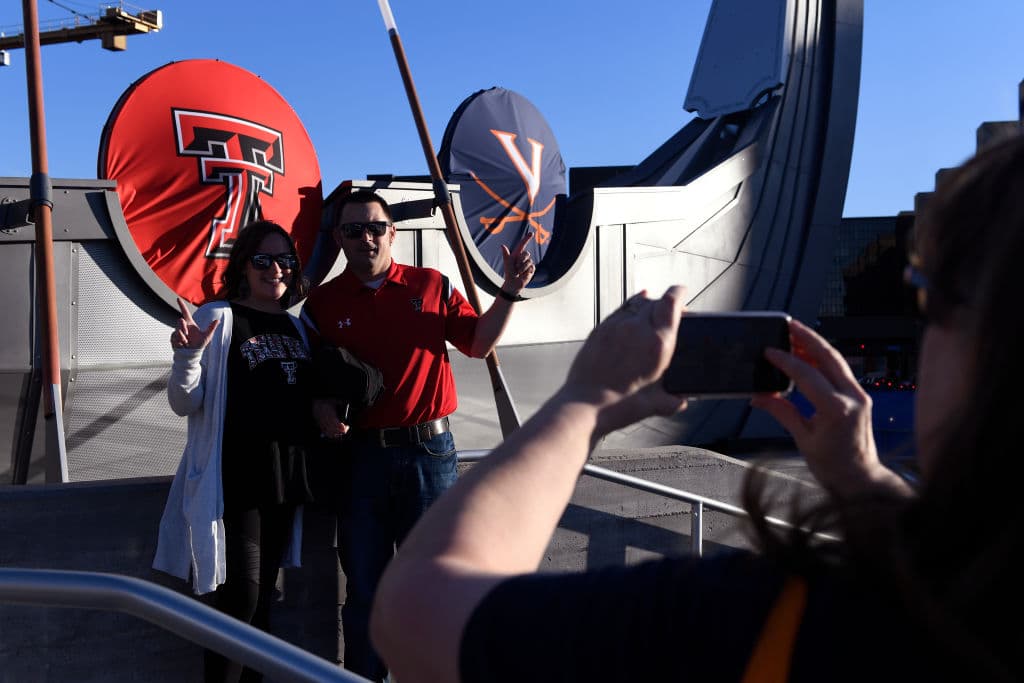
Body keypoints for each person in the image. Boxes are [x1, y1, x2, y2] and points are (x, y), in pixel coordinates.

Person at [369, 135, 1024, 683]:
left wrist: (583, 404)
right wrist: (865, 482)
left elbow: (417, 613)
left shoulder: (769, 617)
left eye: (927, 296)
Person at [303, 189, 536, 681]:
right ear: (338, 238)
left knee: (432, 587)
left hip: (430, 454)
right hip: (360, 459)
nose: (365, 238)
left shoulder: (431, 284)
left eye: (374, 227)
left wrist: (510, 290)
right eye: (353, 230)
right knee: (365, 589)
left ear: (392, 232)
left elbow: (478, 342)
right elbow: (311, 379)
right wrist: (321, 406)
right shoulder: (321, 304)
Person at [153, 221, 318, 683]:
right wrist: (187, 357)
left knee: (262, 602)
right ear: (243, 265)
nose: (275, 269)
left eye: (284, 260)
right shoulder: (218, 317)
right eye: (262, 260)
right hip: (236, 481)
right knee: (239, 600)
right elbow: (184, 403)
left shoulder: (297, 326)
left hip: (284, 480)